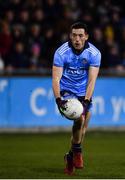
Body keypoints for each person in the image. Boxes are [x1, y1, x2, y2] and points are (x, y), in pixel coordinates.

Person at [52, 22, 101, 175]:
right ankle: (78, 153)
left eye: (80, 35)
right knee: (79, 118)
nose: (77, 39)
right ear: (70, 36)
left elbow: (92, 80)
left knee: (82, 130)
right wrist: (59, 100)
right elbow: (55, 79)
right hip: (67, 91)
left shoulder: (94, 53)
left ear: (86, 36)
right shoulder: (61, 53)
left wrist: (86, 100)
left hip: (83, 92)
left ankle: (70, 156)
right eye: (74, 35)